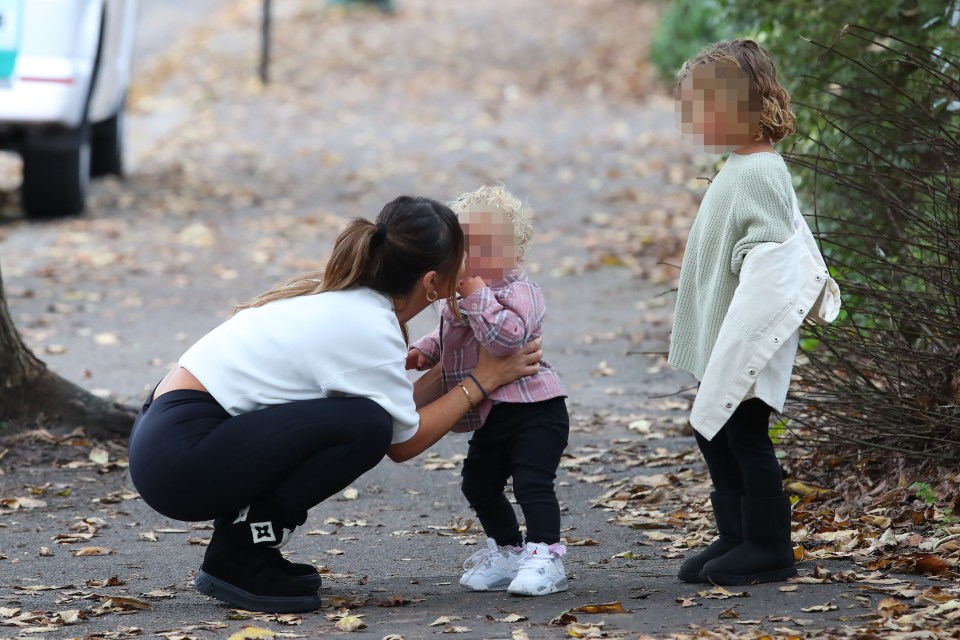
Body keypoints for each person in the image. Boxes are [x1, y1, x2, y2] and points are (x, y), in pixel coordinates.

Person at [127, 196, 543, 613]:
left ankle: (245, 550)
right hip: (180, 458)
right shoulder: (367, 325)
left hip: (170, 437)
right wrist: (483, 379)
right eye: (463, 262)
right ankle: (240, 558)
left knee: (367, 420)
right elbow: (402, 441)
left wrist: (457, 368)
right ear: (433, 282)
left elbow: (396, 413)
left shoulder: (353, 300)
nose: (471, 272)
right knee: (365, 427)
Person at [668, 40, 841, 586]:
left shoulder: (762, 171)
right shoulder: (738, 164)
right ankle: (738, 532)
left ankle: (769, 545)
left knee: (744, 434)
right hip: (722, 328)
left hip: (744, 335)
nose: (689, 118)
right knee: (713, 432)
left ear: (740, 107)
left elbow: (771, 255)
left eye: (699, 107)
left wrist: (743, 327)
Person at [407, 185, 569, 596]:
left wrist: (478, 296)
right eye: (467, 249)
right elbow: (451, 335)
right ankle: (508, 550)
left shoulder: (520, 293)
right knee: (477, 483)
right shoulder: (461, 299)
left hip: (536, 409)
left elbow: (507, 341)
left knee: (532, 482)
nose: (474, 260)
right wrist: (426, 350)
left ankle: (545, 555)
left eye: (488, 248)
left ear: (516, 255)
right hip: (493, 413)